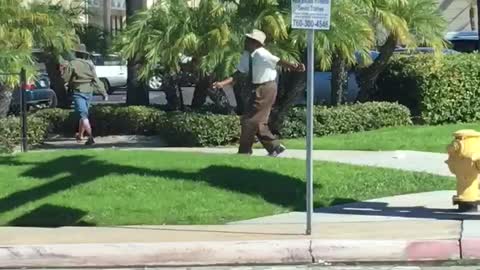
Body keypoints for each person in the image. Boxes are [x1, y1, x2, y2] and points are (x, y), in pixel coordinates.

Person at [213, 29, 305, 156]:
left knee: (251, 120)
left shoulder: (262, 53)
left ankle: (246, 151)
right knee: (254, 120)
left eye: (249, 40)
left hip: (267, 87)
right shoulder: (247, 55)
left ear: (256, 43)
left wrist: (294, 67)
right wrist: (222, 84)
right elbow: (239, 74)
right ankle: (273, 148)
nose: (245, 42)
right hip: (256, 88)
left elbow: (278, 61)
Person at [62, 44, 108, 146]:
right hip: (89, 91)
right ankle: (80, 135)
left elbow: (65, 78)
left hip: (78, 91)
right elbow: (96, 79)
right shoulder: (89, 65)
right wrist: (103, 92)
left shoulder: (72, 64)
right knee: (84, 114)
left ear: (76, 53)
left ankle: (90, 137)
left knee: (83, 115)